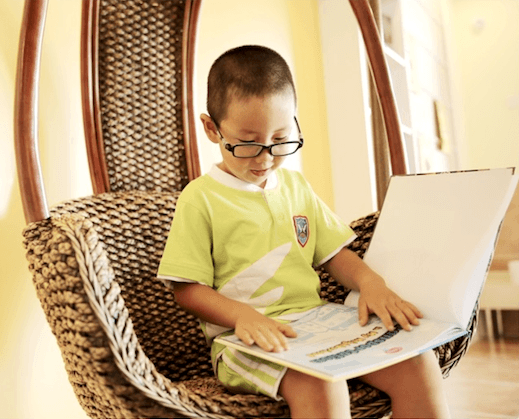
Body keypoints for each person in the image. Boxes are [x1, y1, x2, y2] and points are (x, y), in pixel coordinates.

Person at [157, 45, 450, 418]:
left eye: (280, 141)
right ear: (212, 129)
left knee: (418, 364)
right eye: (248, 143)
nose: (265, 158)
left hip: (317, 324)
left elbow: (332, 253)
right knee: (322, 384)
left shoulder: (296, 187)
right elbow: (186, 288)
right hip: (242, 342)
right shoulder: (200, 199)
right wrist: (242, 316)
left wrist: (370, 282)